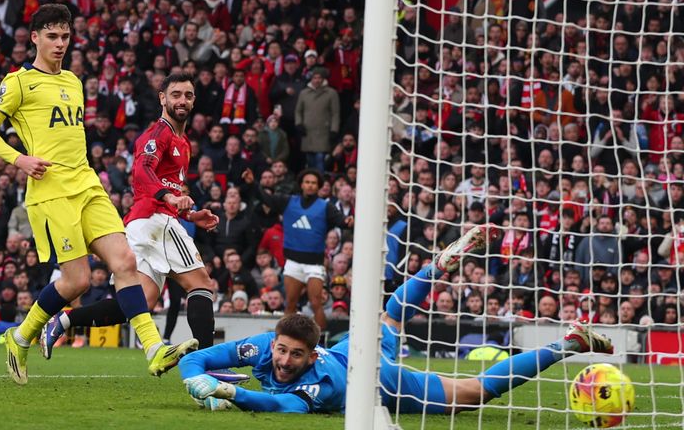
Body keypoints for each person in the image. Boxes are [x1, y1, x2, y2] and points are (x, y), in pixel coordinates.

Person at [0, 4, 196, 385]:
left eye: (65, 37)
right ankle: (21, 335)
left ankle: (154, 349)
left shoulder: (74, 81)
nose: (61, 44)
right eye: (53, 37)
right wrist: (19, 159)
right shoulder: (19, 82)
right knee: (77, 281)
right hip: (51, 192)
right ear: (36, 38)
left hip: (88, 185)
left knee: (125, 261)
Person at [178, 224, 614, 413]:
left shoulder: (316, 386)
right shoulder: (262, 348)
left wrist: (226, 392)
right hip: (349, 348)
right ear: (273, 343)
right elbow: (197, 358)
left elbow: (275, 404)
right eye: (282, 351)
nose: (283, 361)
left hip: (375, 379)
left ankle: (568, 344)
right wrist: (194, 376)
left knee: (473, 392)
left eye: (294, 356)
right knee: (388, 318)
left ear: (310, 358)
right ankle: (438, 266)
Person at [40, 72, 220, 356]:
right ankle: (210, 367)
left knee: (141, 301)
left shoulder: (182, 143)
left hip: (146, 221)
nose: (182, 100)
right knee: (201, 284)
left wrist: (191, 215)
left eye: (188, 95)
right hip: (155, 221)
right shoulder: (158, 134)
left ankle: (65, 320)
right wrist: (170, 197)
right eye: (175, 94)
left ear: (194, 100)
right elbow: (142, 170)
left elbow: (162, 186)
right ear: (162, 98)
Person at [242, 167, 353, 330]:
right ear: (301, 184)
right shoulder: (288, 201)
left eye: (314, 183)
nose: (310, 185)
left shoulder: (326, 206)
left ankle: (321, 342)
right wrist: (253, 184)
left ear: (319, 186)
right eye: (307, 182)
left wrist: (348, 222)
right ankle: (284, 340)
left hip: (314, 265)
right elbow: (267, 198)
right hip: (293, 263)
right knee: (290, 304)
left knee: (316, 303)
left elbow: (342, 221)